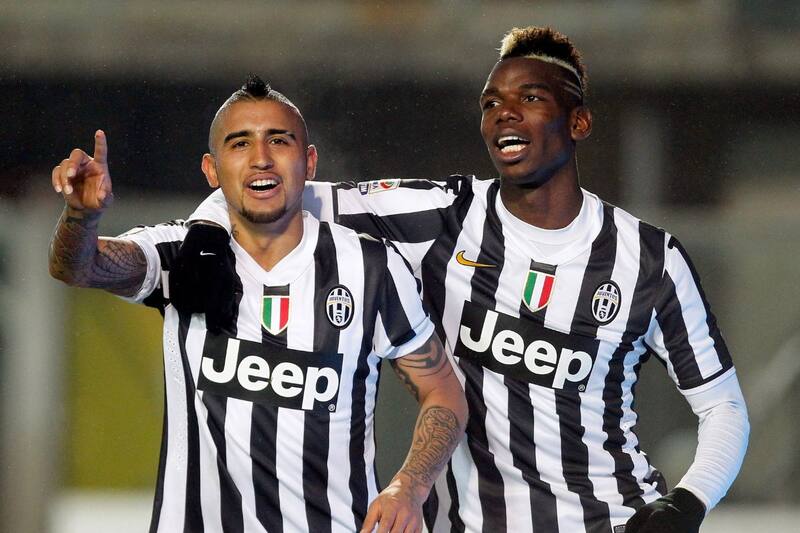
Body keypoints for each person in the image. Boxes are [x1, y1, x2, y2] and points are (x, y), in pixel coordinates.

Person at [177, 27, 750, 533]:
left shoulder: (649, 259)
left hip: (610, 518)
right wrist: (204, 232)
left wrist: (687, 504)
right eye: (491, 103)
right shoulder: (442, 217)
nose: (505, 113)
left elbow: (723, 408)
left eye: (530, 98)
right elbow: (272, 187)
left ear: (578, 122)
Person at [48, 76, 468, 533]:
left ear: (309, 162)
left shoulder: (370, 267)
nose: (261, 158)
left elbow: (443, 391)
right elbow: (79, 267)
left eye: (279, 140)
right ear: (212, 170)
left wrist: (409, 486)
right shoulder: (181, 256)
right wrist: (80, 217)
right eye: (240, 143)